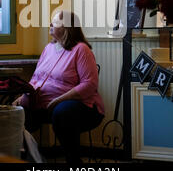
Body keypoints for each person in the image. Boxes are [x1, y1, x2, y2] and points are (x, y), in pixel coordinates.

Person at [13, 11, 105, 163]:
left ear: (67, 28)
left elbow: (90, 85)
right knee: (17, 112)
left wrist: (59, 100)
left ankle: (74, 162)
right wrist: (22, 97)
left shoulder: (81, 49)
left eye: (54, 22)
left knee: (62, 112)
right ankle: (25, 159)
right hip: (44, 106)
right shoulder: (48, 48)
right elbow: (36, 79)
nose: (50, 25)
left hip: (83, 108)